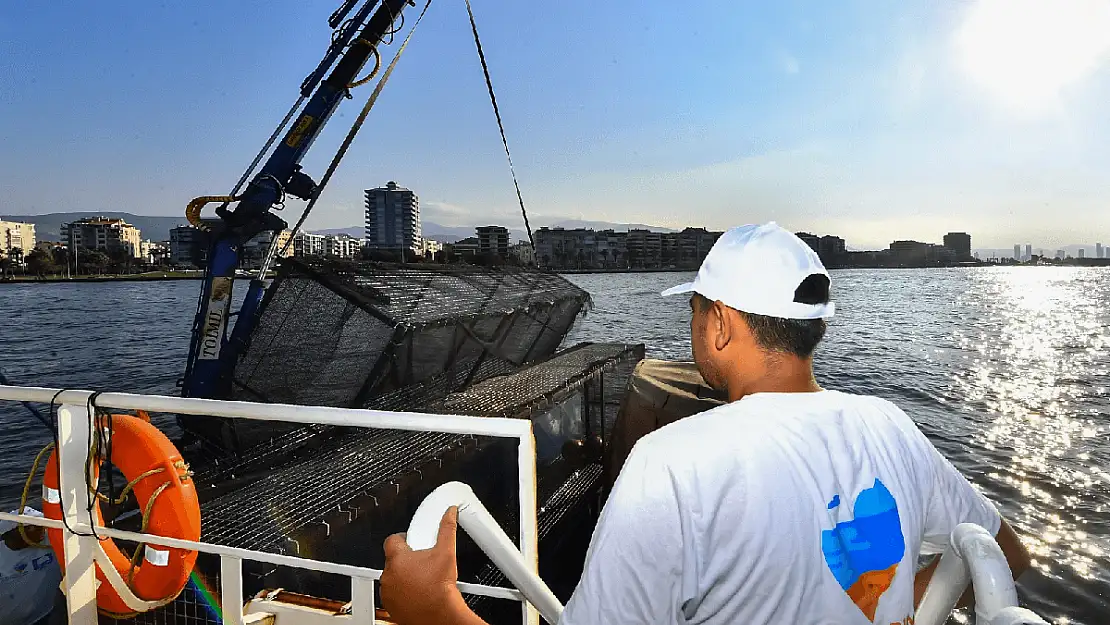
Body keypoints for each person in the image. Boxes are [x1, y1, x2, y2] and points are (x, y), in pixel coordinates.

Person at [380, 222, 1031, 625]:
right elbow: (1009, 555)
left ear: (718, 323)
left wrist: (435, 610)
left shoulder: (674, 463)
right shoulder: (892, 428)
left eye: (694, 311)